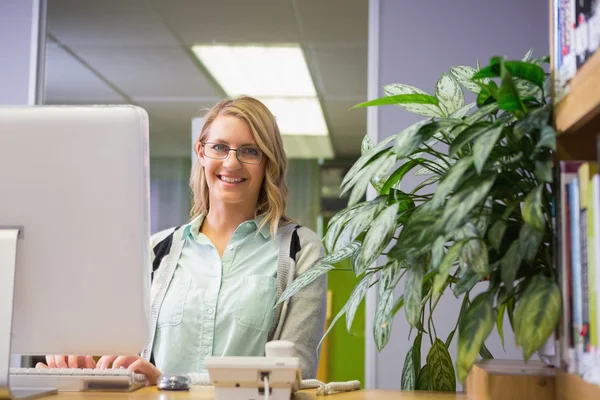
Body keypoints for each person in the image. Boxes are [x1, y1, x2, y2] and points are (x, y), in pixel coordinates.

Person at [36, 96, 328, 385]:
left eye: (250, 151)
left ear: (268, 162)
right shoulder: (156, 251)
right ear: (201, 153)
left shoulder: (301, 251)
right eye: (219, 147)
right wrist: (81, 358)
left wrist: (171, 380)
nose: (232, 162)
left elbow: (296, 371)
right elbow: (118, 349)